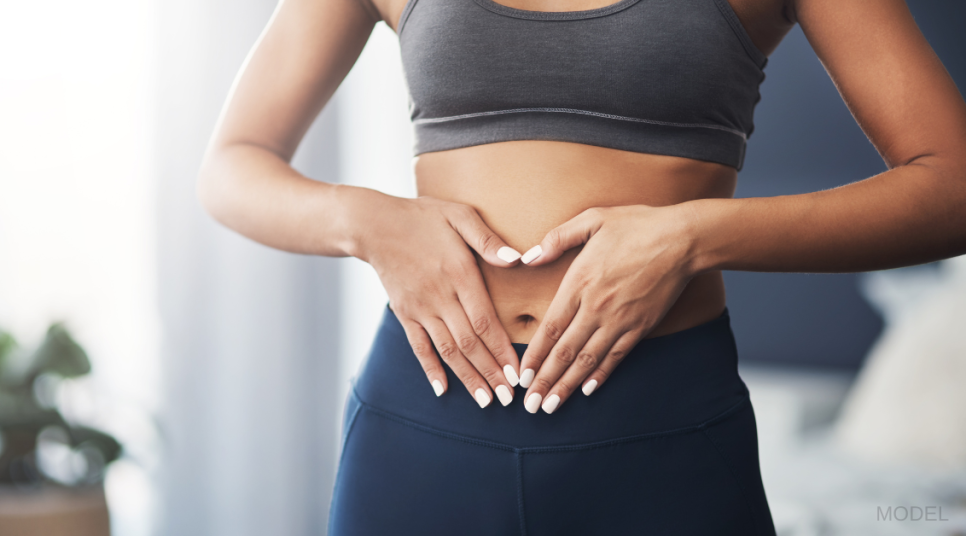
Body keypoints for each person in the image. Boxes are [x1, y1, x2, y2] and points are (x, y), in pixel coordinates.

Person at [197, 0, 966, 533]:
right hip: (423, 422)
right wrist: (371, 222)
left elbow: (951, 187)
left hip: (661, 433)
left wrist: (691, 236)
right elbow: (233, 166)